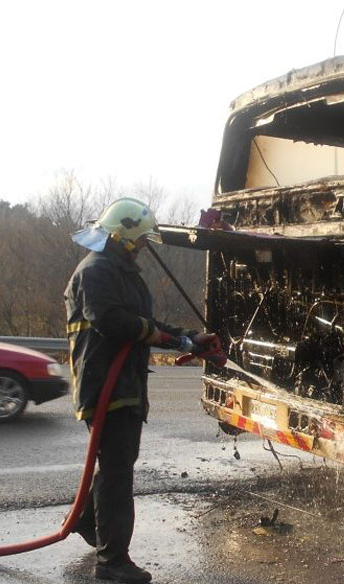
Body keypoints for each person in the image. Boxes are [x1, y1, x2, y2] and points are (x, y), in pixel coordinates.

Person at [65, 198, 218, 584]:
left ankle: (87, 524)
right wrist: (168, 338)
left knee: (115, 468)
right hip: (105, 388)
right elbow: (113, 322)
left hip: (124, 384)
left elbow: (146, 323)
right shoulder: (97, 271)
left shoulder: (119, 272)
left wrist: (188, 337)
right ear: (125, 237)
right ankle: (112, 562)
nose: (145, 247)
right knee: (118, 474)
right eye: (142, 240)